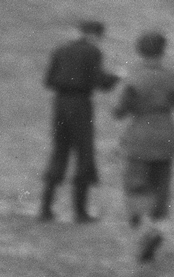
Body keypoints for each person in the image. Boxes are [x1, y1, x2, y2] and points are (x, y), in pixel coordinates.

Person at [39, 20, 120, 223]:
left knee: (59, 152)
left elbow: (48, 81)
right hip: (81, 105)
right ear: (94, 35)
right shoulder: (92, 52)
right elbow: (100, 83)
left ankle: (45, 207)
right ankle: (80, 211)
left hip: (60, 104)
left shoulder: (60, 50)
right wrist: (117, 77)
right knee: (84, 154)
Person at [113, 30, 174, 263]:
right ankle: (157, 227)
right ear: (163, 50)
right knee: (161, 186)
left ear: (140, 51)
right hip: (167, 135)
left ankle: (145, 231)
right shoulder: (172, 76)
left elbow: (120, 110)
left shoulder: (134, 78)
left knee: (135, 184)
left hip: (141, 136)